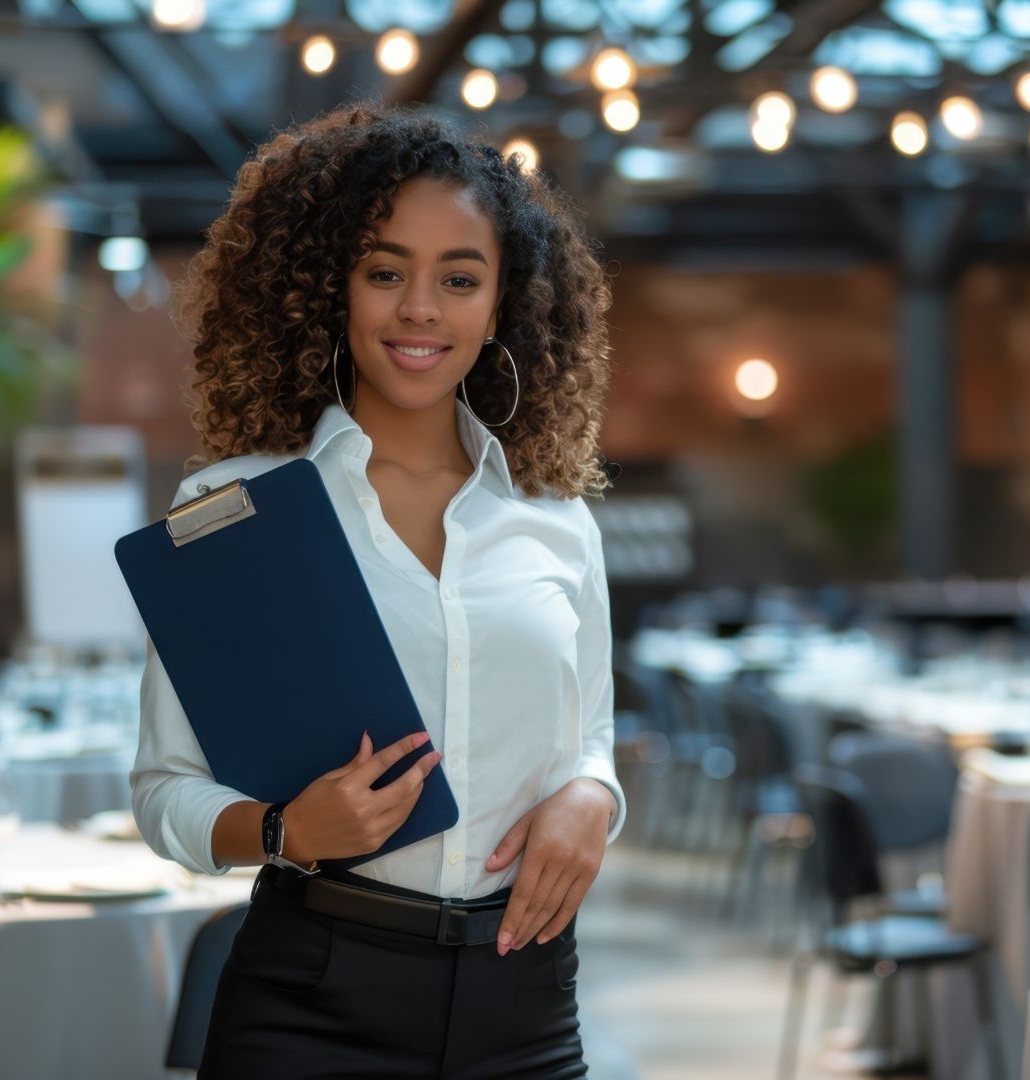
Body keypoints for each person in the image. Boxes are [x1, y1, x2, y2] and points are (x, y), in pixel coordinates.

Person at [131, 102, 623, 1078]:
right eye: (385, 271)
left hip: (522, 998)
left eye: (459, 278)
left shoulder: (557, 520)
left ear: (502, 304)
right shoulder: (237, 507)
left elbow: (594, 734)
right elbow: (162, 791)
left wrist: (592, 800)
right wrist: (284, 830)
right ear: (332, 289)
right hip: (310, 995)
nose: (420, 310)